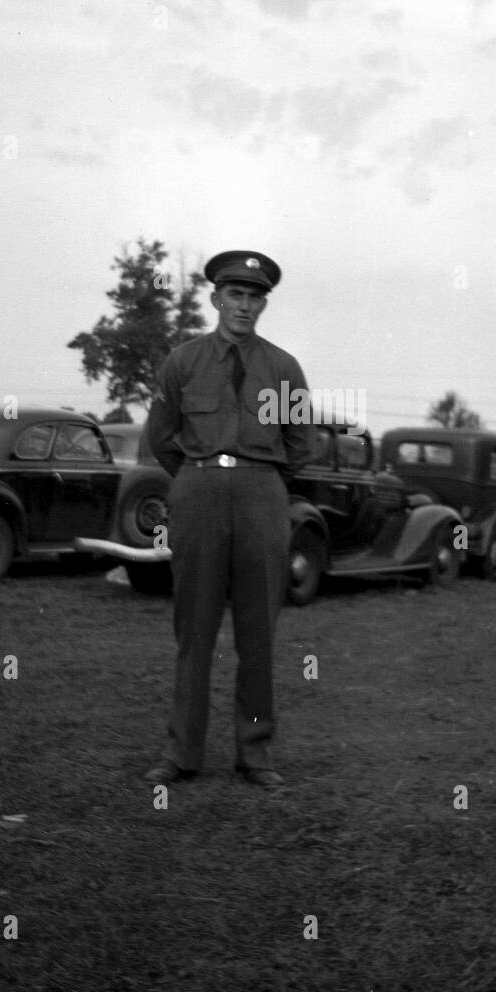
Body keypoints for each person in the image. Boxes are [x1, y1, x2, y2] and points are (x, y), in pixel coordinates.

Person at [145, 250, 316, 790]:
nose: (245, 305)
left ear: (265, 303)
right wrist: (197, 477)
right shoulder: (182, 362)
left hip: (262, 493)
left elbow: (300, 446)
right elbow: (160, 437)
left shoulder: (283, 368)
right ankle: (182, 753)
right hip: (196, 490)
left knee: (258, 630)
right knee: (193, 628)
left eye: (255, 297)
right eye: (235, 295)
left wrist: (258, 481)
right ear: (216, 298)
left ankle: (256, 754)